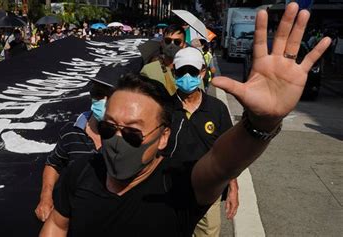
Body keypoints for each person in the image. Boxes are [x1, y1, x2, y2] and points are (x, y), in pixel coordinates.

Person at [39, 3, 331, 236]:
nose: (116, 141)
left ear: (163, 136)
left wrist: (262, 123)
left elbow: (220, 163)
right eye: (107, 128)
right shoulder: (80, 172)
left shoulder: (177, 184)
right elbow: (57, 224)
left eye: (132, 134)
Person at [165, 47, 238, 237]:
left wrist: (233, 189)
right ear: (174, 73)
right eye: (182, 72)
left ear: (202, 72)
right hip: (170, 191)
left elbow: (230, 154)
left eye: (193, 71)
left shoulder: (217, 109)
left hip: (208, 194)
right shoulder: (163, 108)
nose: (187, 76)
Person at [35, 77, 115, 222]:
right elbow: (54, 163)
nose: (103, 100)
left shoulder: (127, 136)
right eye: (98, 93)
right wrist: (45, 198)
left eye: (111, 95)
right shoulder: (71, 131)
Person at [140, 24, 204, 96]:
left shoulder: (193, 70)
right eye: (168, 41)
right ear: (162, 43)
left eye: (177, 42)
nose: (172, 45)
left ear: (184, 45)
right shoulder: (149, 70)